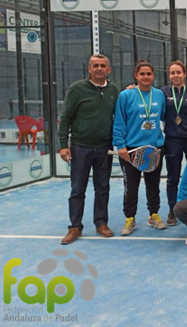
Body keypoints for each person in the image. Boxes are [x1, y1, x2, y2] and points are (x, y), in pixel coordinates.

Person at [58, 54, 119, 244]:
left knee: (103, 188)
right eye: (95, 66)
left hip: (105, 148)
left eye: (103, 66)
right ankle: (75, 227)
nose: (99, 68)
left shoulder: (114, 90)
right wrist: (62, 145)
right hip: (80, 147)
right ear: (89, 69)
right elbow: (66, 117)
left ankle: (101, 223)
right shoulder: (77, 89)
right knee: (77, 189)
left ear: (109, 69)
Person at [113, 60, 167, 236]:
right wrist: (120, 145)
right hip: (131, 150)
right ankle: (130, 219)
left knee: (153, 185)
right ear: (136, 76)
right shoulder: (125, 96)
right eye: (142, 74)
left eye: (149, 74)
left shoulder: (159, 95)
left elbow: (164, 117)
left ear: (153, 76)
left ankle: (154, 215)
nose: (145, 77)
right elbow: (119, 122)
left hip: (154, 149)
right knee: (131, 187)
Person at [161, 60, 187, 226]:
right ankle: (173, 209)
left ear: (184, 74)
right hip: (172, 140)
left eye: (179, 72)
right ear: (169, 75)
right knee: (172, 177)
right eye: (172, 73)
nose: (176, 75)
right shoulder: (163, 92)